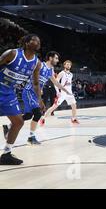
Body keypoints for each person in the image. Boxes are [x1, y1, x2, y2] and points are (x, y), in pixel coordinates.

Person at [0, 34, 41, 165]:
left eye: (39, 41)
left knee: (18, 122)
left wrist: (39, 99)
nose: (38, 42)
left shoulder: (36, 63)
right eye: (35, 40)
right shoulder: (12, 54)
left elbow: (35, 83)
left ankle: (6, 154)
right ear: (27, 43)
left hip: (9, 93)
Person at [40, 60, 79, 125]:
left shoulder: (71, 74)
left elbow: (69, 84)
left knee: (74, 105)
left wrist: (71, 92)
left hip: (69, 93)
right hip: (62, 93)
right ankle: (43, 118)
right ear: (64, 65)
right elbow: (56, 83)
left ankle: (73, 119)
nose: (68, 65)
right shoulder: (62, 73)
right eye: (67, 64)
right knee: (54, 106)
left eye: (69, 65)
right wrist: (58, 92)